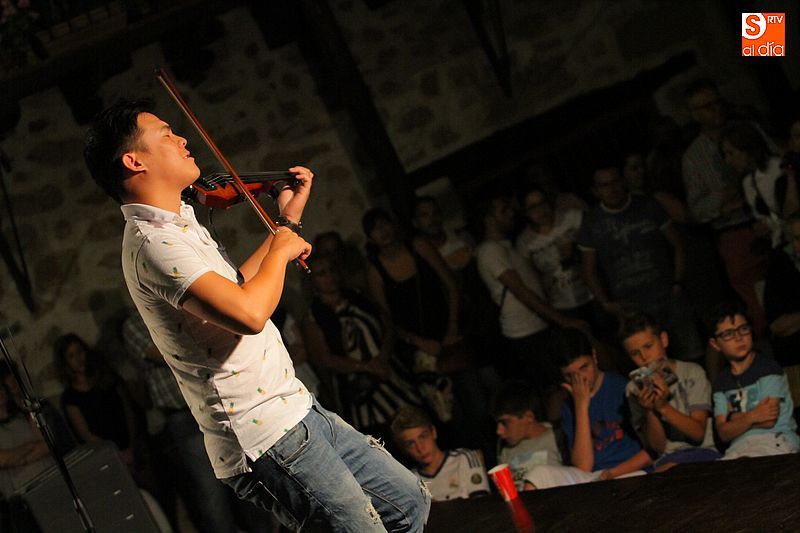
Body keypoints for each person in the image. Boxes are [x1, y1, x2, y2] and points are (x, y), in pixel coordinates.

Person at [83, 98, 429, 532]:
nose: (183, 139)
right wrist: (281, 249)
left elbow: (238, 290)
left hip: (296, 407)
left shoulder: (178, 225)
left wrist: (288, 221)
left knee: (407, 502)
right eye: (167, 135)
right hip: (264, 435)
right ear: (134, 161)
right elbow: (250, 313)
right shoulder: (153, 243)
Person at [122, 312, 272, 533]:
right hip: (184, 416)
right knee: (210, 494)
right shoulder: (134, 324)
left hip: (220, 405)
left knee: (247, 481)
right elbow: (171, 352)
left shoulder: (183, 306)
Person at [577, 163, 704, 362]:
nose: (612, 189)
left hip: (667, 295)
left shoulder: (647, 206)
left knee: (691, 355)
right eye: (604, 185)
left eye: (615, 182)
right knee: (650, 363)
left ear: (623, 181)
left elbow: (678, 243)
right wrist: (606, 303)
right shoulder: (591, 222)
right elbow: (588, 270)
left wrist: (678, 283)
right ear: (596, 191)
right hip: (631, 307)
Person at [475, 192, 587, 400]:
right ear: (489, 219)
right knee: (559, 389)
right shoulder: (489, 250)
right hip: (525, 332)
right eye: (503, 210)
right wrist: (562, 320)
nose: (511, 213)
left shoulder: (507, 246)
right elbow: (521, 291)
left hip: (537, 325)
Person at [303, 253, 423, 440]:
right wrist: (365, 367)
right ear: (313, 281)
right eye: (322, 273)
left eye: (332, 270)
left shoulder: (358, 296)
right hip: (359, 391)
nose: (330, 276)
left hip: (391, 374)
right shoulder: (315, 315)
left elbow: (387, 325)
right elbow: (324, 358)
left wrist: (382, 358)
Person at [524, 328, 651, 490]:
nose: (580, 379)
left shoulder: (622, 388)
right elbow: (583, 467)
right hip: (591, 477)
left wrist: (612, 473)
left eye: (584, 367)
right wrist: (581, 407)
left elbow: (652, 451)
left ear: (594, 357)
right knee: (538, 476)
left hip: (628, 471)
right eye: (570, 376)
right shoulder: (570, 406)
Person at [618, 311, 719, 469]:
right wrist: (649, 410)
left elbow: (698, 433)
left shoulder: (692, 373)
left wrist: (663, 407)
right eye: (635, 353)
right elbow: (657, 448)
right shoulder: (633, 389)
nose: (644, 357)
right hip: (666, 459)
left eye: (648, 346)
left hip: (703, 452)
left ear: (663, 339)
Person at [708, 301, 799, 459]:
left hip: (775, 440)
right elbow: (723, 433)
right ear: (715, 344)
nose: (738, 337)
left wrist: (733, 417)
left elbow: (769, 420)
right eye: (728, 334)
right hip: (738, 446)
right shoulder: (721, 382)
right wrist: (753, 416)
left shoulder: (767, 368)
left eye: (743, 329)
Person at [515, 185, 593, 322]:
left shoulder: (572, 217)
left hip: (592, 293)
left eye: (543, 203)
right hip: (561, 305)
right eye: (533, 207)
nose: (541, 210)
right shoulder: (525, 241)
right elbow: (531, 278)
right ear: (526, 212)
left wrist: (576, 247)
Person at [391, 406, 490, 502]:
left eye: (423, 437)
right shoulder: (410, 482)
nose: (420, 448)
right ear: (404, 449)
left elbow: (482, 504)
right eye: (411, 443)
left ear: (433, 432)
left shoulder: (464, 458)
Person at [491, 381, 561, 491]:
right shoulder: (504, 448)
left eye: (505, 423)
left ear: (529, 417)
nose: (499, 431)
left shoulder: (557, 438)